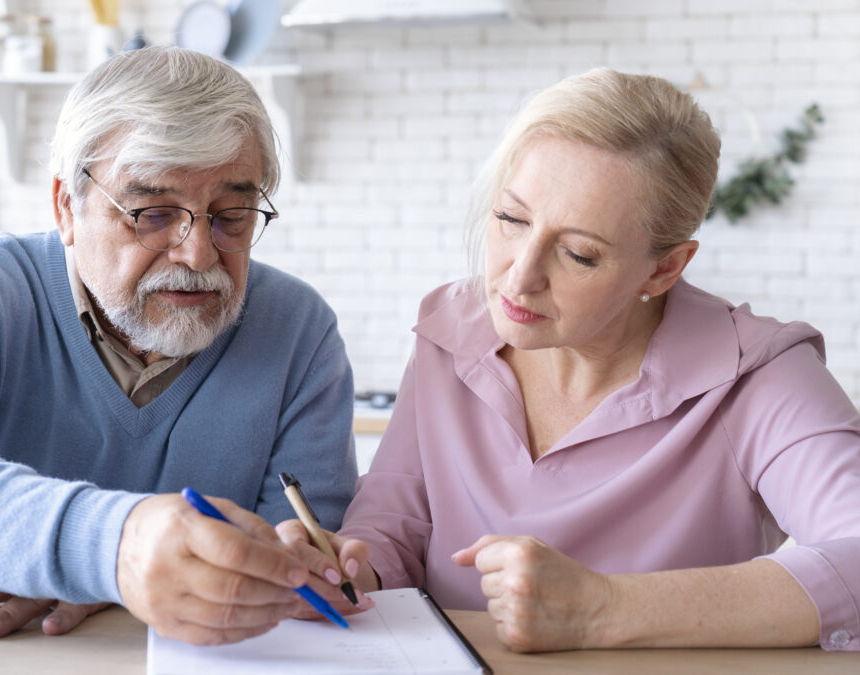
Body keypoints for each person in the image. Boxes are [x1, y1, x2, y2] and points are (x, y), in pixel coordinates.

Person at [279, 68, 860, 652]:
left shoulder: (758, 374)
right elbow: (391, 526)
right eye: (511, 219)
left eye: (579, 254)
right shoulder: (449, 332)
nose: (519, 277)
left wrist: (601, 610)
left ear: (664, 269)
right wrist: (348, 571)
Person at [0, 46, 359, 646]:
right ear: (66, 208)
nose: (199, 255)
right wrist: (111, 550)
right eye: (153, 213)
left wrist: (56, 562)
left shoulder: (299, 329)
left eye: (231, 215)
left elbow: (293, 564)